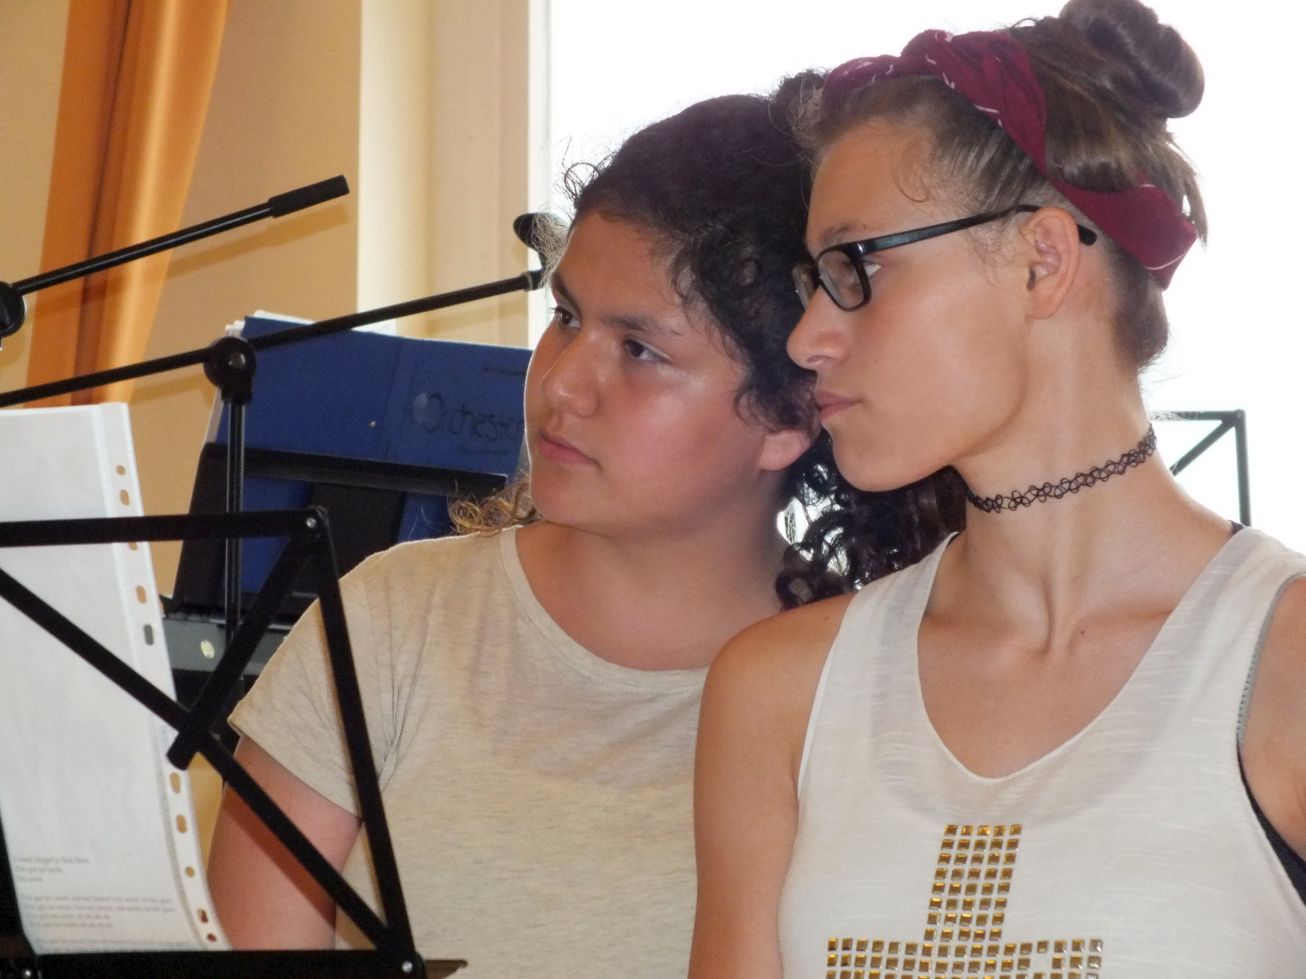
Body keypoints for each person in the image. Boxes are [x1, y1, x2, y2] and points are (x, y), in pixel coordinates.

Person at [205, 75, 949, 977]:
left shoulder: (872, 686)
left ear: (789, 416)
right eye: (565, 316)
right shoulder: (388, 621)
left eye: (640, 350)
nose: (560, 383)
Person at [690, 2, 1306, 976]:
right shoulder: (779, 693)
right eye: (816, 279)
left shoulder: (1284, 667)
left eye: (857, 266)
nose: (808, 337)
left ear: (1041, 261)